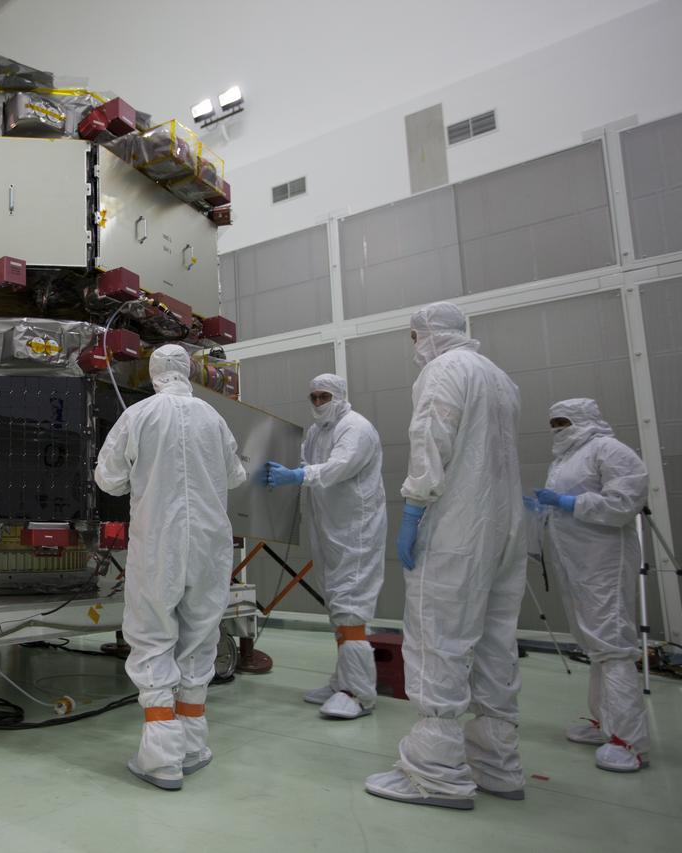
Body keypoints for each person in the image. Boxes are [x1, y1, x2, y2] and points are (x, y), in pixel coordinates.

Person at [365, 302, 528, 810]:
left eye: (414, 336)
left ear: (427, 334)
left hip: (457, 525)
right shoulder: (499, 377)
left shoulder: (443, 371)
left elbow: (430, 442)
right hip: (504, 528)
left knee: (439, 639)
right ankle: (497, 764)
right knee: (495, 642)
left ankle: (435, 773)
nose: (414, 346)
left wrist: (415, 506)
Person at [95, 344, 247, 791]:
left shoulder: (138, 415)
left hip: (159, 542)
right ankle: (193, 744)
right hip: (209, 543)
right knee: (200, 634)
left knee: (152, 634)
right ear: (188, 372)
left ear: (154, 372)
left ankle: (161, 757)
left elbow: (108, 479)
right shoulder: (213, 418)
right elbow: (235, 476)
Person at [533, 398, 650, 772]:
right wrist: (547, 508)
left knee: (612, 646)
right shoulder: (564, 459)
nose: (557, 428)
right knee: (597, 646)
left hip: (604, 563)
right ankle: (605, 724)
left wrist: (569, 502)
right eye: (553, 422)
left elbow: (625, 503)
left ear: (585, 418)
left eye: (563, 421)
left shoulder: (609, 450)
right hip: (577, 565)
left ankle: (629, 741)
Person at [264, 373, 386, 720]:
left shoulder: (356, 428)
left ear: (340, 396)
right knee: (337, 606)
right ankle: (341, 683)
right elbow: (310, 466)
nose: (318, 403)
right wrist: (296, 474)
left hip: (356, 530)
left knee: (351, 607)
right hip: (328, 528)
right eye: (313, 397)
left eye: (324, 397)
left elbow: (338, 468)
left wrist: (297, 476)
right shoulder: (316, 432)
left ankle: (358, 693)